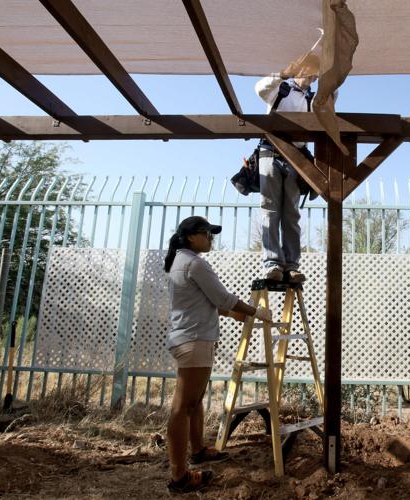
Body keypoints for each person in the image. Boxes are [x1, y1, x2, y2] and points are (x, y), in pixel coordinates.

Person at [163, 215, 273, 494]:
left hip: (192, 338)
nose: (210, 237)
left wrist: (233, 312)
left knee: (195, 401)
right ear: (190, 236)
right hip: (194, 339)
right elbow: (222, 297)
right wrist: (255, 311)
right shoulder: (195, 263)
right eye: (206, 233)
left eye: (212, 233)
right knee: (182, 407)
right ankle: (179, 477)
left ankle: (198, 450)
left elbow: (209, 301)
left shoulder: (182, 262)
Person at [254, 54, 321, 283]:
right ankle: (272, 263)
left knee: (291, 214)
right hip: (271, 151)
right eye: (310, 71)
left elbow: (329, 104)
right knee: (270, 210)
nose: (312, 76)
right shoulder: (281, 89)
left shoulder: (312, 98)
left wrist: (334, 82)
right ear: (300, 70)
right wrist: (282, 73)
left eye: (316, 73)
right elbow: (260, 89)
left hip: (296, 158)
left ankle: (291, 266)